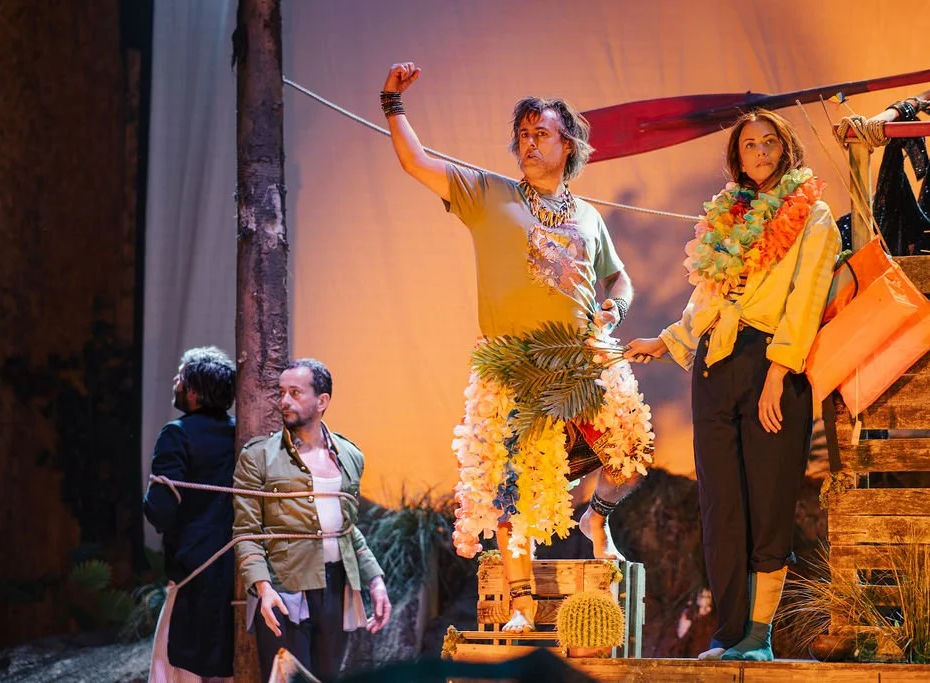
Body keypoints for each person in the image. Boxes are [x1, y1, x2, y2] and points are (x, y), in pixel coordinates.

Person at [381, 61, 654, 632]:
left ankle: (597, 519)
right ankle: (522, 605)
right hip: (514, 365)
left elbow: (620, 279)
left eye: (541, 134)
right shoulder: (487, 193)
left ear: (567, 144)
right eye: (522, 135)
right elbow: (415, 162)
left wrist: (615, 309)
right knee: (511, 488)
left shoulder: (587, 217)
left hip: (581, 359)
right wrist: (393, 104)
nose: (529, 144)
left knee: (628, 454)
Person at [626, 109, 840, 661]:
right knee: (721, 506)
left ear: (785, 149)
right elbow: (708, 296)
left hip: (772, 363)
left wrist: (778, 374)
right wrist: (667, 341)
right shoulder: (729, 216)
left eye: (770, 142)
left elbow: (806, 300)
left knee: (769, 502)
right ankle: (728, 634)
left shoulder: (813, 215)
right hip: (715, 363)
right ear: (737, 157)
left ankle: (757, 636)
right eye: (750, 145)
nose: (761, 151)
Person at [233, 359, 392, 681]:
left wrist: (375, 581)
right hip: (284, 587)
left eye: (295, 392)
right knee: (288, 676)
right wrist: (263, 587)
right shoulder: (258, 456)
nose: (284, 401)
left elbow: (348, 529)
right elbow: (246, 532)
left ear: (322, 401)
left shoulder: (350, 455)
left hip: (335, 586)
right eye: (281, 392)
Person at [144, 346, 237, 680]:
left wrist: (150, 498)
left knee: (176, 670)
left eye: (181, 377)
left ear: (195, 391)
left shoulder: (177, 434)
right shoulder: (242, 433)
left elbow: (160, 511)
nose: (175, 382)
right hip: (238, 570)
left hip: (193, 573)